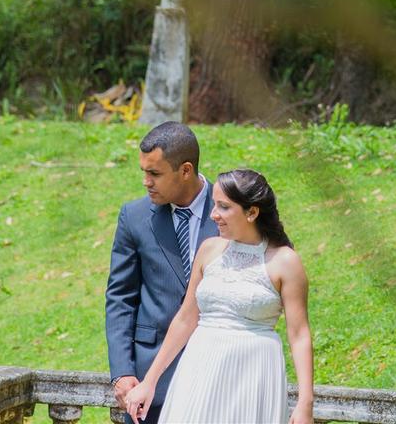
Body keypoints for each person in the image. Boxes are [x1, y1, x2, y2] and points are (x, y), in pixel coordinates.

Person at [124, 168, 314, 424]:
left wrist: (305, 403)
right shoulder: (209, 250)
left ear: (252, 212)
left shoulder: (285, 262)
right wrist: (150, 381)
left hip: (253, 373)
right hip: (199, 366)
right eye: (214, 204)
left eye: (224, 207)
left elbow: (299, 334)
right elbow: (186, 318)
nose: (214, 215)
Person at [106, 122, 219, 424]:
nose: (145, 182)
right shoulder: (134, 216)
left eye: (154, 173)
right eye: (143, 171)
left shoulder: (229, 212)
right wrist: (123, 372)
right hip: (149, 381)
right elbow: (120, 298)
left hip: (218, 375)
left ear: (185, 170)